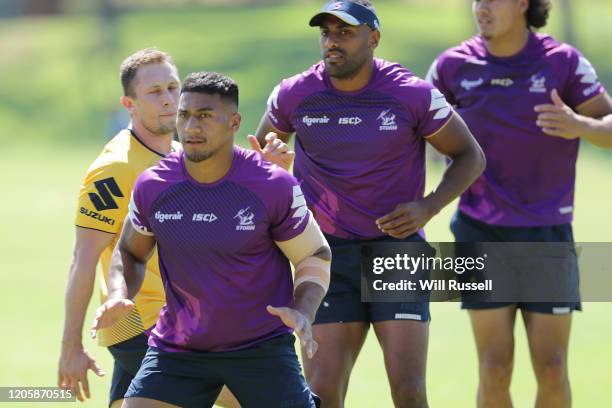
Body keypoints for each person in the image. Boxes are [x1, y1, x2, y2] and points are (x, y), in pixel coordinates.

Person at [254, 1, 485, 406]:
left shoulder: (410, 93)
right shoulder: (294, 93)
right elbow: (259, 164)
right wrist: (272, 167)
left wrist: (428, 207)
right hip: (324, 255)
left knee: (408, 391)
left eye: (345, 32)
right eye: (326, 33)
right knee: (321, 394)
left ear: (373, 38)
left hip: (395, 251)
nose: (332, 42)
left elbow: (471, 156)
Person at [91, 71, 331, 408]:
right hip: (178, 350)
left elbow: (314, 254)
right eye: (185, 115)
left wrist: (303, 310)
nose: (191, 127)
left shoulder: (272, 185)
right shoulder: (153, 185)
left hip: (260, 349)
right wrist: (118, 294)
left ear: (234, 122)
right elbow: (130, 251)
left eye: (205, 116)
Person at [426, 0, 612, 406]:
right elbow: (415, 129)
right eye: (477, 0)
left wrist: (581, 125)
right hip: (479, 229)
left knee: (551, 364)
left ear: (522, 4)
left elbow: (610, 126)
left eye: (492, 0)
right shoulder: (451, 66)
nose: (482, 8)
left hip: (547, 231)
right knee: (494, 367)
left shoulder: (563, 62)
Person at [58, 48, 238, 408]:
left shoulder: (182, 153)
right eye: (155, 92)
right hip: (139, 323)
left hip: (185, 318)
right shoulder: (114, 169)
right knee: (254, 395)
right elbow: (84, 257)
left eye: (173, 88)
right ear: (130, 104)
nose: (169, 100)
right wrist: (71, 347)